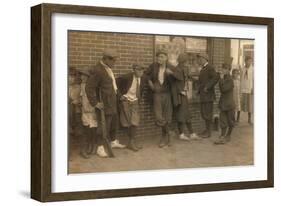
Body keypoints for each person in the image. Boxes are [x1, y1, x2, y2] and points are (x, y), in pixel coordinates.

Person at [85, 49, 126, 158]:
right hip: (104, 103)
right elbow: (89, 88)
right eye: (113, 61)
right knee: (103, 127)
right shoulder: (98, 70)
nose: (115, 63)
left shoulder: (108, 68)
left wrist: (118, 96)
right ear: (106, 59)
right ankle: (100, 147)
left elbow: (112, 85)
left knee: (113, 124)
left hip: (112, 101)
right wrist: (95, 103)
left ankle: (112, 142)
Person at [146, 49, 174, 148]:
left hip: (167, 94)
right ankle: (168, 134)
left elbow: (178, 79)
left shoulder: (171, 67)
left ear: (166, 58)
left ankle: (164, 137)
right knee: (158, 116)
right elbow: (146, 75)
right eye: (158, 57)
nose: (159, 58)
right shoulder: (153, 66)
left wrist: (171, 74)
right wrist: (150, 84)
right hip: (157, 94)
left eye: (162, 57)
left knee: (167, 116)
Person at [116, 63, 146, 151]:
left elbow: (142, 89)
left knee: (135, 122)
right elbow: (115, 84)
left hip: (135, 101)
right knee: (126, 122)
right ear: (133, 70)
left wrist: (138, 99)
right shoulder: (127, 77)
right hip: (126, 101)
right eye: (138, 70)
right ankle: (131, 142)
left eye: (142, 70)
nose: (140, 72)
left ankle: (132, 142)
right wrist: (120, 96)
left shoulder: (143, 78)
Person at [170, 53, 200, 141]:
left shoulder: (182, 69)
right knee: (182, 115)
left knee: (186, 114)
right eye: (187, 61)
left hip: (184, 95)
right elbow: (175, 83)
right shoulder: (178, 70)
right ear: (183, 61)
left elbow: (187, 77)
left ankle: (191, 133)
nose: (188, 63)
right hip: (180, 96)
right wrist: (181, 91)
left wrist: (196, 79)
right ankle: (182, 134)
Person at [77, 68, 98, 159]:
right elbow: (81, 97)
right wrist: (80, 103)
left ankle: (94, 145)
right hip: (84, 111)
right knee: (87, 129)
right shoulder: (81, 85)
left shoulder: (92, 86)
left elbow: (95, 98)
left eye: (85, 76)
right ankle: (89, 145)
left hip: (92, 110)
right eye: (82, 75)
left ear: (89, 77)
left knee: (93, 129)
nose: (83, 77)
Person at [196, 53, 219, 138]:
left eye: (199, 59)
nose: (198, 60)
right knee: (204, 113)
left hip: (208, 96)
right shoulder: (203, 68)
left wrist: (207, 87)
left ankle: (208, 132)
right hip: (203, 96)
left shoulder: (210, 67)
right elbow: (203, 81)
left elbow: (216, 77)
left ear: (204, 59)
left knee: (207, 114)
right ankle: (206, 130)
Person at [214, 62, 235, 144]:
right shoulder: (224, 78)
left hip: (229, 104)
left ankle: (228, 135)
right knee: (223, 121)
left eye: (225, 69)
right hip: (223, 103)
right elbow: (221, 88)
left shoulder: (230, 80)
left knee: (230, 121)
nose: (222, 70)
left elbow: (223, 89)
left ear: (228, 70)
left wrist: (221, 79)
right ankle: (223, 136)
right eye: (222, 68)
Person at [240, 56, 254, 125]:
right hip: (243, 88)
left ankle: (249, 119)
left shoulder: (253, 69)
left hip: (249, 88)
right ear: (245, 61)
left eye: (250, 61)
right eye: (248, 61)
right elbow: (240, 79)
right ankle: (237, 118)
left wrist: (253, 88)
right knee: (241, 103)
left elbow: (254, 80)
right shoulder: (242, 69)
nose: (249, 62)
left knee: (249, 105)